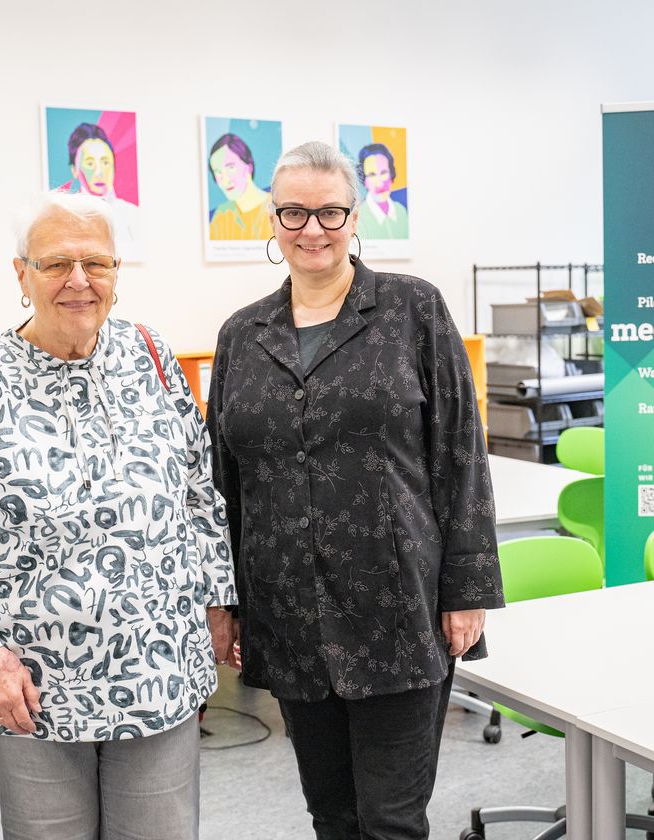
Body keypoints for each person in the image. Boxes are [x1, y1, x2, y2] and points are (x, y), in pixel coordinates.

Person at [0, 191, 236, 840]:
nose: (79, 280)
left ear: (116, 273)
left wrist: (218, 602)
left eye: (96, 263)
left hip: (157, 668)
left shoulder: (152, 358)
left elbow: (201, 493)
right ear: (21, 274)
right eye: (56, 263)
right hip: (29, 683)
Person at [206, 141, 503, 840]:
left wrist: (468, 590)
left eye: (329, 212)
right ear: (272, 220)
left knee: (391, 821)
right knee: (332, 815)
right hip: (289, 611)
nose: (312, 229)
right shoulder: (242, 335)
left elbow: (461, 452)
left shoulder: (412, 309)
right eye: (294, 212)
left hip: (399, 609)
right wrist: (223, 601)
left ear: (354, 216)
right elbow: (222, 483)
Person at [63, 122, 140, 247]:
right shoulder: (65, 219)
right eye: (90, 164)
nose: (99, 172)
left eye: (105, 162)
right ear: (74, 170)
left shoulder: (134, 214)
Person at [207, 132, 272, 240]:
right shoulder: (220, 215)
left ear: (249, 167)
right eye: (218, 172)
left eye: (230, 168)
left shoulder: (277, 208)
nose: (225, 180)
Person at [355, 142, 409, 240]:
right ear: (364, 180)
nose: (380, 183)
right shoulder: (359, 218)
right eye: (372, 175)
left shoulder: (401, 211)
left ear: (391, 174)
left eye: (384, 173)